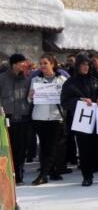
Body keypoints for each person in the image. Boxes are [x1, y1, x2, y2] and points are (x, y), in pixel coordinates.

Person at [61, 54, 98, 186]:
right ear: (77, 66)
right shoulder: (70, 83)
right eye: (82, 65)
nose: (85, 67)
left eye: (87, 65)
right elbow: (64, 102)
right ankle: (87, 176)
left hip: (97, 120)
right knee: (85, 149)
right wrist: (80, 101)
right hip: (82, 121)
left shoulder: (95, 80)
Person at [27, 54, 67, 185]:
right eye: (41, 63)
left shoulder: (62, 79)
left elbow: (67, 98)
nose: (43, 66)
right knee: (45, 146)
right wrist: (31, 96)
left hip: (56, 117)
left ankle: (43, 174)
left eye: (45, 63)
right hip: (39, 117)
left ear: (52, 64)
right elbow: (29, 99)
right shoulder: (36, 80)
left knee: (51, 146)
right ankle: (51, 171)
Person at [0, 53, 33, 184]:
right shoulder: (2, 78)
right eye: (22, 63)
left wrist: (31, 97)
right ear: (14, 64)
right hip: (7, 119)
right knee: (7, 148)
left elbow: (29, 99)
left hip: (24, 119)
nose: (24, 65)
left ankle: (19, 175)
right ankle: (7, 174)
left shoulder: (27, 79)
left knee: (21, 149)